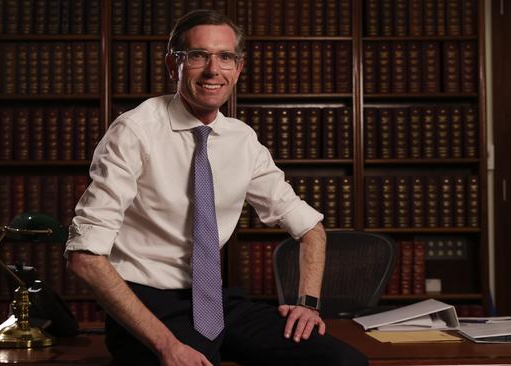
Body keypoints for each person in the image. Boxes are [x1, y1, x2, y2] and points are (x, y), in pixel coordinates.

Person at [65, 9, 368, 366]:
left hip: (215, 301)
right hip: (148, 303)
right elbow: (84, 257)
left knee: (343, 362)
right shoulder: (134, 132)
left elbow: (310, 229)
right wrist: (167, 345)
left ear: (238, 69)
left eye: (225, 57)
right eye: (197, 56)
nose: (213, 70)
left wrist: (307, 304)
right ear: (172, 65)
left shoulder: (241, 140)